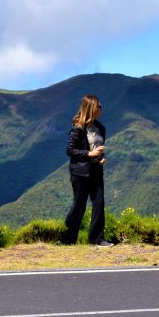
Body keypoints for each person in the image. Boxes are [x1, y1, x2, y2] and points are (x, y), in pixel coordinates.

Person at [64, 94, 112, 247]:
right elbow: (70, 150)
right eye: (99, 105)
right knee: (80, 204)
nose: (101, 108)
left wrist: (100, 158)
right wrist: (89, 154)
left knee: (99, 203)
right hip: (80, 172)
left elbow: (96, 149)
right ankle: (68, 238)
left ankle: (97, 239)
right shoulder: (78, 128)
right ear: (91, 108)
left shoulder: (100, 128)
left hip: (96, 170)